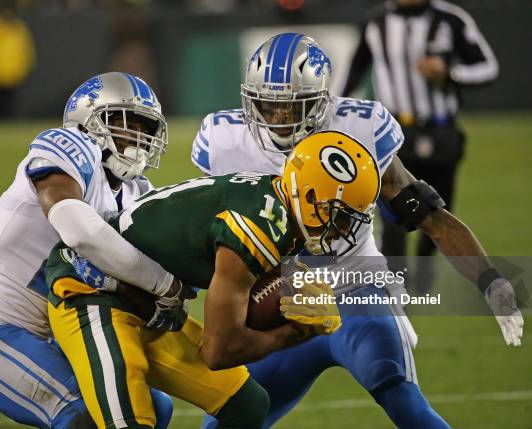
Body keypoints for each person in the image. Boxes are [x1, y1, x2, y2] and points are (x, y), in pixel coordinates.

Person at [195, 33, 522, 429]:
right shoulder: (224, 140)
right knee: (230, 418)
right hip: (280, 304)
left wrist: (490, 280)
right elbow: (201, 238)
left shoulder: (358, 128)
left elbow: (432, 220)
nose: (278, 117)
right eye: (267, 104)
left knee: (400, 396)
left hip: (356, 293)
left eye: (290, 105)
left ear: (321, 100)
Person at [44, 132, 361, 429]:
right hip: (91, 293)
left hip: (149, 305)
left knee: (247, 404)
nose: (341, 230)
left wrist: (290, 286)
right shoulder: (258, 226)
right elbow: (219, 350)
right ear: (309, 196)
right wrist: (296, 332)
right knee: (132, 422)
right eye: (341, 215)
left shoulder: (276, 204)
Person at [0, 72, 181, 429]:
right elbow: (79, 230)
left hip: (60, 338)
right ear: (89, 120)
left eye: (146, 128)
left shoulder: (135, 191)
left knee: (150, 408)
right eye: (127, 124)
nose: (139, 139)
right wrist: (163, 284)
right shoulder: (68, 144)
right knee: (83, 418)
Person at [341, 0, 500, 292]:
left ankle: (424, 270)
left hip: (441, 130)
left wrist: (451, 74)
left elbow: (488, 68)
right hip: (394, 133)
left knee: (439, 207)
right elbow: (355, 69)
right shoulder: (375, 22)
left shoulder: (451, 19)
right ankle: (394, 287)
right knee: (392, 214)